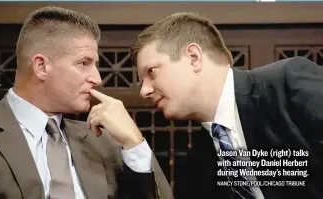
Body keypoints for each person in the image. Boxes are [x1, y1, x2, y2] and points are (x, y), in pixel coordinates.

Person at [0, 6, 174, 199]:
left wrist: (133, 141)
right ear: (41, 67)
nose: (97, 79)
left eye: (95, 65)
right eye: (84, 63)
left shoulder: (102, 141)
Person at [130, 12, 323, 199]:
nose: (144, 91)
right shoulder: (196, 165)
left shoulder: (289, 85)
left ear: (194, 57)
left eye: (152, 72)